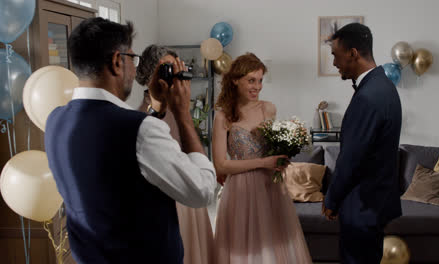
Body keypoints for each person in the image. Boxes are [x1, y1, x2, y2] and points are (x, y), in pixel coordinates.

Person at [44, 17, 216, 264]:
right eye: (132, 59)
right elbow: (202, 192)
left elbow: (121, 168)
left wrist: (156, 110)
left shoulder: (55, 121)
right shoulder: (139, 128)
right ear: (117, 61)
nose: (135, 70)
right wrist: (183, 115)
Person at [212, 52, 312, 263]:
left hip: (270, 188)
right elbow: (220, 165)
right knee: (244, 250)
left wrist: (280, 160)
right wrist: (263, 163)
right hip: (239, 191)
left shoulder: (268, 109)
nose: (257, 86)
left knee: (273, 248)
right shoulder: (222, 116)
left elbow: (273, 151)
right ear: (235, 80)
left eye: (260, 81)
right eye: (251, 80)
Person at [322, 23, 402, 264]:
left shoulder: (369, 96)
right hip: (375, 202)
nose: (334, 63)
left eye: (335, 55)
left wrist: (332, 199)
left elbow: (352, 157)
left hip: (362, 204)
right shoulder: (383, 86)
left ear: (353, 53)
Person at [136, 44, 214, 264]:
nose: (171, 76)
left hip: (190, 185)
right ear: (149, 75)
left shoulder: (181, 111)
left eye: (175, 69)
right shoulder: (142, 119)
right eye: (166, 70)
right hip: (167, 196)